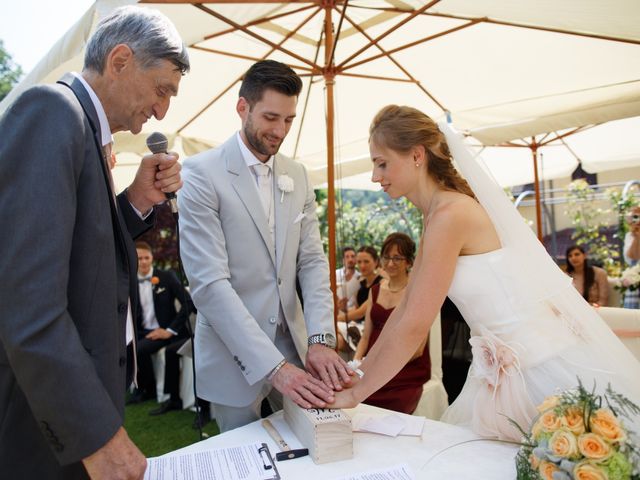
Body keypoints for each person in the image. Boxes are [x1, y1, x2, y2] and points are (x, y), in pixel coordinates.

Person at [330, 105, 640, 441]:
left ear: (417, 155)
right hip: (500, 376)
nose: (375, 176)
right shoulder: (438, 213)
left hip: (537, 369)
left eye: (382, 162)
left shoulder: (451, 215)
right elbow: (403, 311)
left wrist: (354, 396)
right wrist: (357, 374)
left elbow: (414, 323)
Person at [0, 6, 189, 478]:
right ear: (120, 60)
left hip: (78, 403)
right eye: (162, 88)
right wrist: (98, 437)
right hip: (46, 421)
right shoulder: (52, 112)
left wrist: (134, 202)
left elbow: (83, 257)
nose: (163, 109)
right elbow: (27, 305)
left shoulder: (80, 126)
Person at [178, 60, 351, 432]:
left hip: (296, 346)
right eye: (271, 117)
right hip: (232, 355)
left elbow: (312, 263)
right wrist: (274, 368)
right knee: (245, 461)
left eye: (288, 120)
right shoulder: (200, 174)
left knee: (311, 447)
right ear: (243, 108)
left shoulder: (298, 175)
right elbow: (209, 285)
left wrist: (321, 338)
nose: (280, 131)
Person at [354, 233, 430, 414]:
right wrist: (356, 363)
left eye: (397, 258)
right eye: (386, 257)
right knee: (355, 395)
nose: (390, 263)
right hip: (372, 360)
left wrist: (383, 363)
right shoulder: (374, 291)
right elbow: (365, 337)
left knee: (395, 403)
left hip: (404, 366)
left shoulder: (418, 293)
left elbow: (419, 349)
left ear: (409, 262)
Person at [130, 241, 191, 415]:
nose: (142, 262)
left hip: (167, 331)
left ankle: (149, 391)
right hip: (144, 330)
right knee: (129, 347)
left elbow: (188, 302)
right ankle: (142, 388)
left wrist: (169, 330)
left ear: (152, 258)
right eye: (138, 258)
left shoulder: (166, 277)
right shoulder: (130, 281)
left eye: (146, 258)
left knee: (139, 350)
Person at [337, 246, 383, 351]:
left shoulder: (381, 283)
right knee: (334, 336)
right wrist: (342, 308)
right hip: (358, 325)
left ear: (376, 262)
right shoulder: (360, 284)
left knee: (333, 333)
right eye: (359, 262)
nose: (362, 265)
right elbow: (355, 309)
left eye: (366, 262)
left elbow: (361, 312)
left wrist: (335, 318)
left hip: (371, 328)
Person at [624, 206, 640, 309]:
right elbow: (633, 258)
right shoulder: (630, 236)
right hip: (635, 285)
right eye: (635, 217)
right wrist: (637, 236)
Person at [336, 246, 360, 311]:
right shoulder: (335, 274)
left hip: (353, 313)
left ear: (356, 259)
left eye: (352, 256)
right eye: (347, 257)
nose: (350, 260)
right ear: (343, 260)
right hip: (335, 311)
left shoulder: (360, 278)